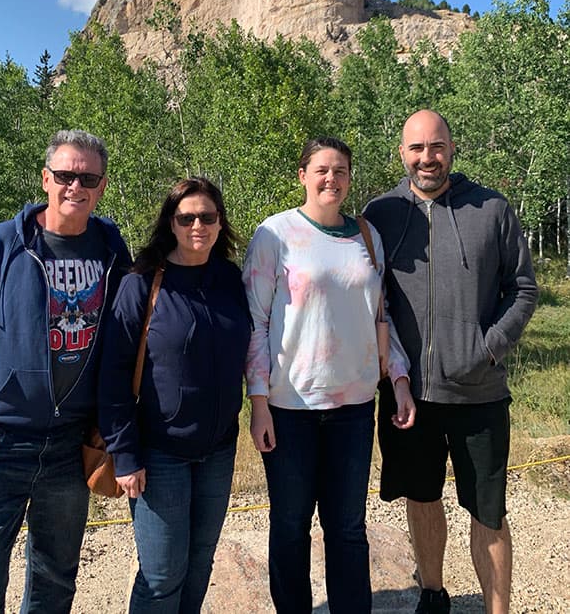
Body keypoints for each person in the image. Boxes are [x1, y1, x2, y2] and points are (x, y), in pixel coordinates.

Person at [0, 129, 132, 614]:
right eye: (65, 175)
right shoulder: (2, 246)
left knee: (54, 581)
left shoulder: (111, 251)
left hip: (71, 447)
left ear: (102, 186)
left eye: (88, 177)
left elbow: (128, 339)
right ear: (45, 179)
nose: (75, 186)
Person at [364, 110, 538, 614]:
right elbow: (373, 302)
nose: (427, 158)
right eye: (416, 148)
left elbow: (522, 288)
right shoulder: (380, 214)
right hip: (408, 394)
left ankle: (497, 609)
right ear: (402, 153)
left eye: (436, 146)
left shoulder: (492, 208)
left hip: (479, 393)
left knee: (488, 510)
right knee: (421, 497)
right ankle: (433, 594)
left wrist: (488, 348)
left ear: (452, 148)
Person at [244, 137, 416, 614]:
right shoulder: (274, 235)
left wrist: (397, 379)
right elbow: (254, 324)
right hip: (290, 407)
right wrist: (258, 402)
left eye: (341, 170)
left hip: (355, 408)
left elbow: (381, 315)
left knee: (347, 527)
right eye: (321, 169)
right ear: (302, 174)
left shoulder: (366, 236)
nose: (331, 179)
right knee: (291, 524)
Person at [98, 177, 251, 613]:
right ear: (171, 223)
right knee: (162, 576)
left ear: (221, 224)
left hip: (218, 449)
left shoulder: (230, 280)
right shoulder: (143, 284)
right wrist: (125, 454)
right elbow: (114, 375)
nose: (197, 225)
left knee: (199, 564)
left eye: (207, 216)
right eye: (187, 218)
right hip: (158, 452)